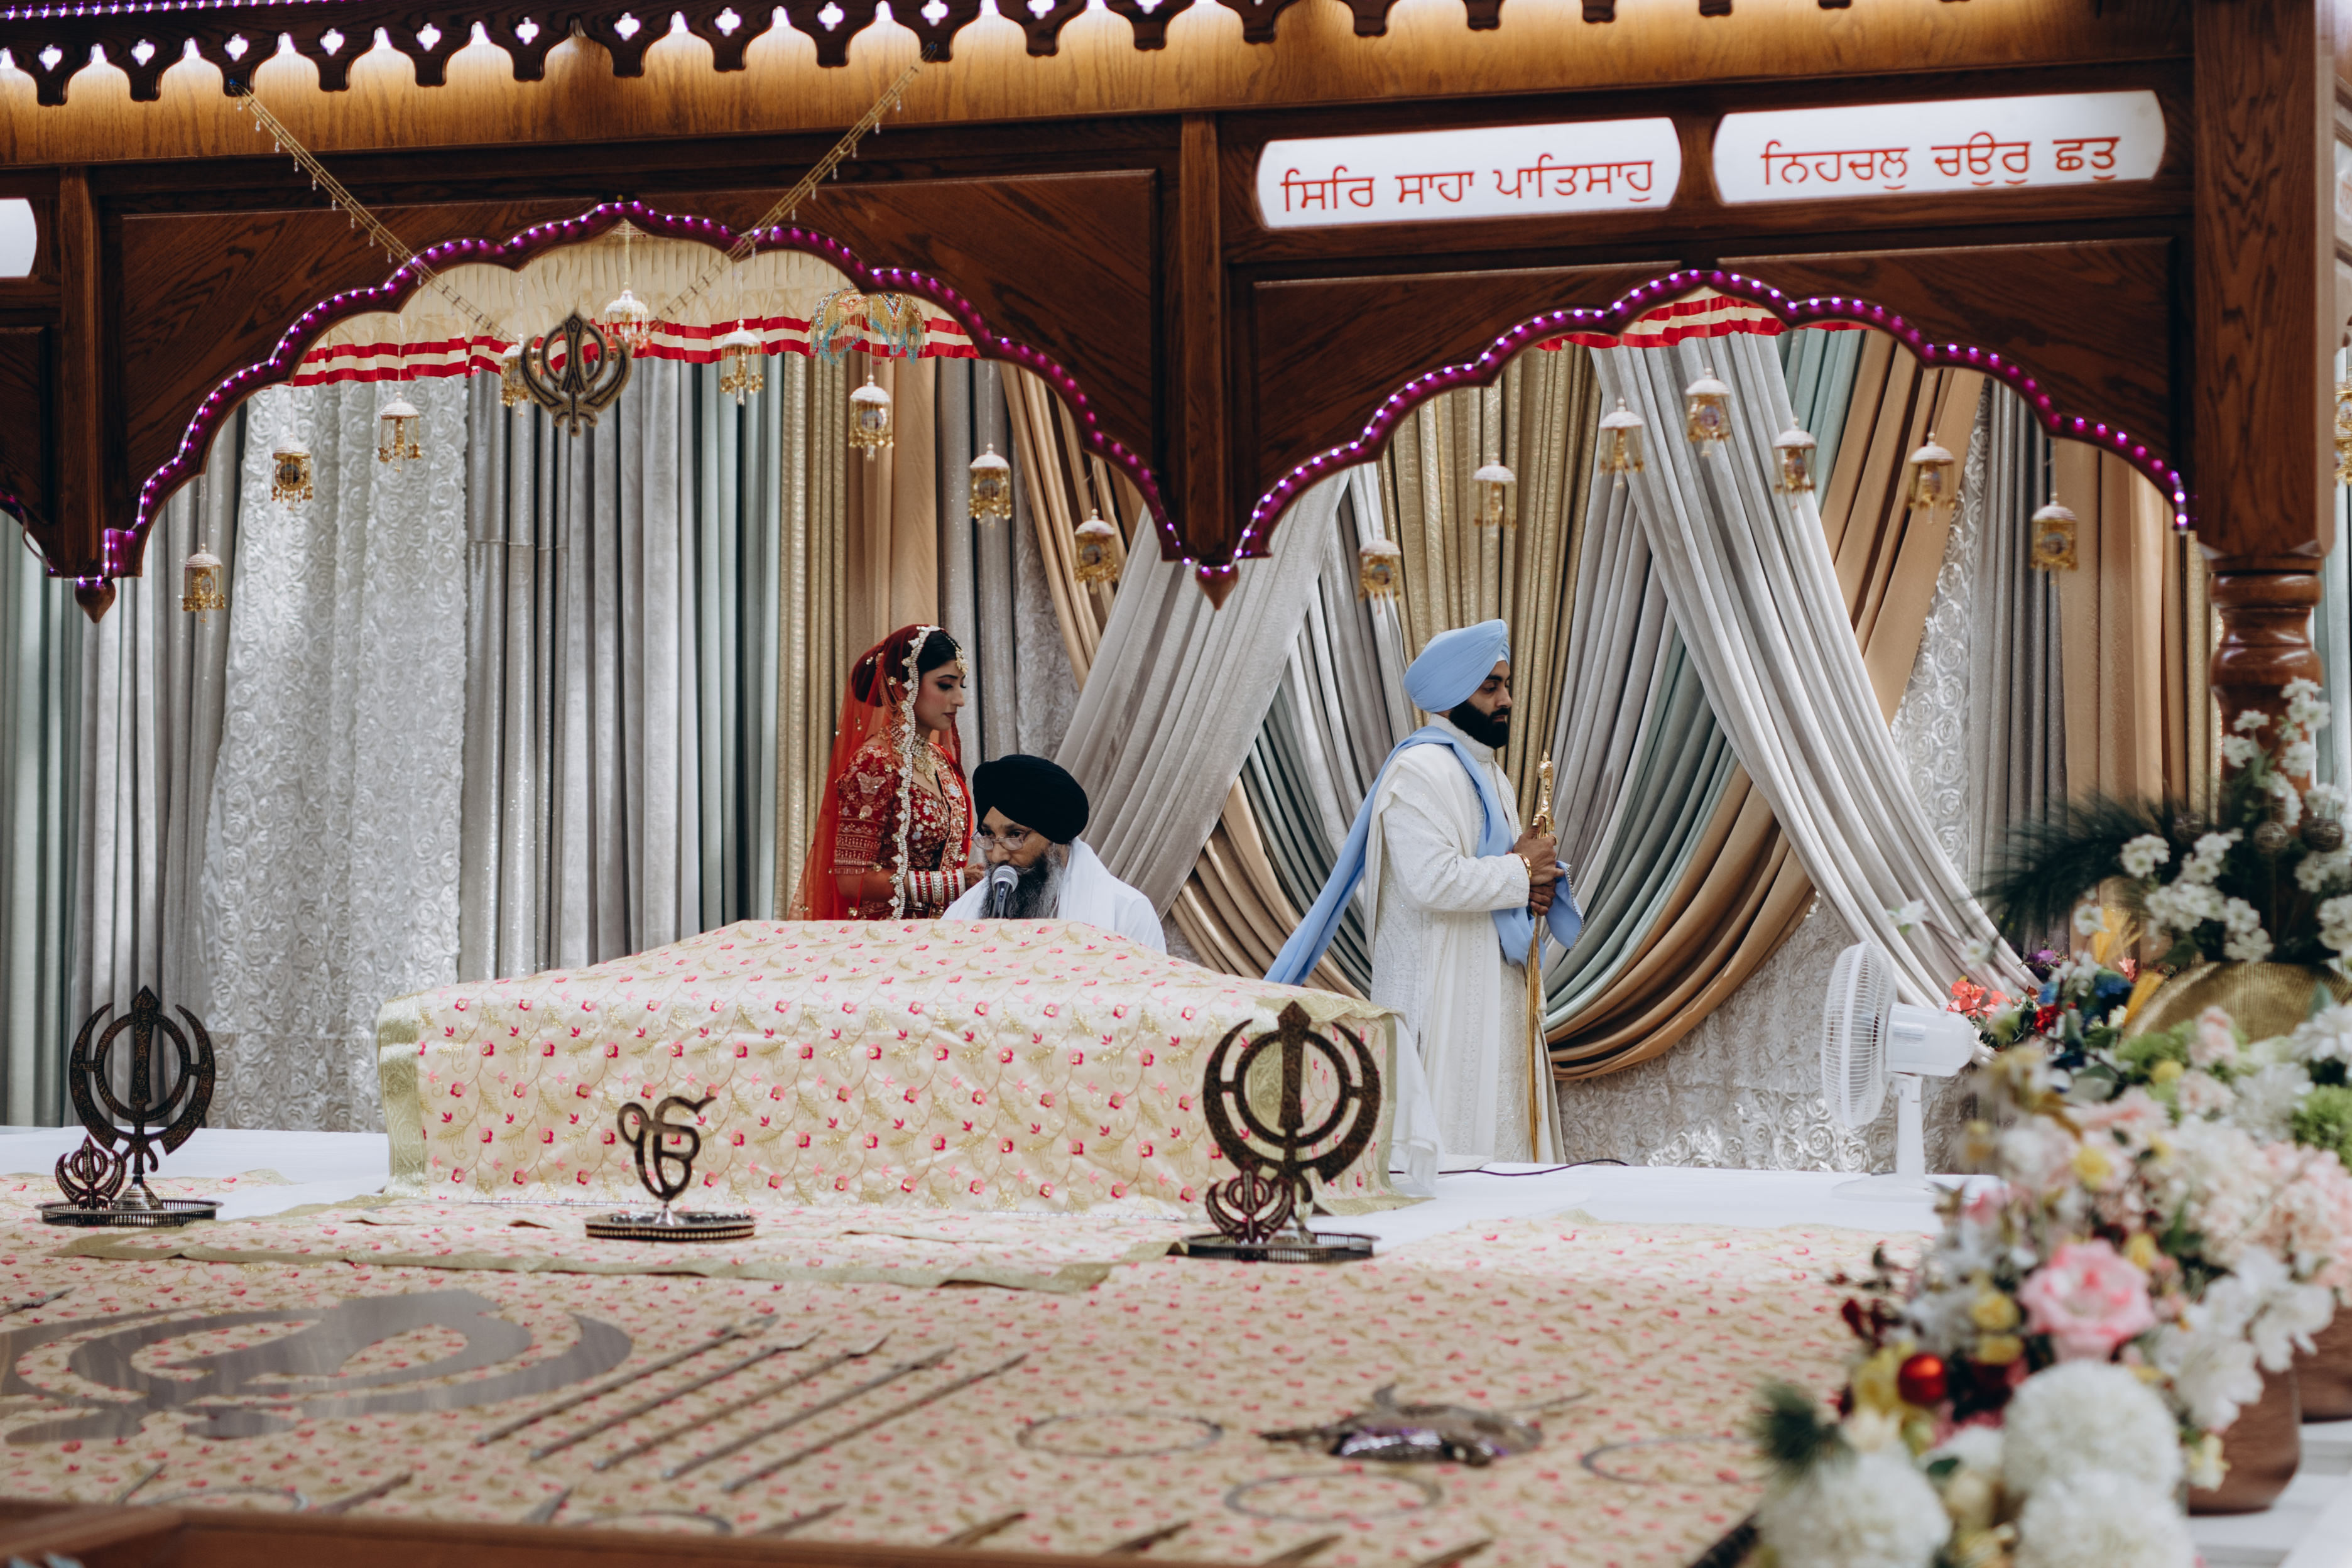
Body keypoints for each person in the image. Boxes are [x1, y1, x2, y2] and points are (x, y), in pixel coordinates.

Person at [1266, 619, 1581, 1189]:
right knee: (1448, 1152)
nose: (1507, 701)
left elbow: (1504, 871)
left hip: (1494, 985)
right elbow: (1431, 881)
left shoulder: (1490, 775)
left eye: (1506, 685)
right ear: (1454, 693)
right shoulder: (1417, 771)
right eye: (1491, 687)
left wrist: (1536, 882)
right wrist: (1520, 872)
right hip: (1441, 991)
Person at [792, 624, 983, 921]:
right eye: (946, 685)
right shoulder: (874, 763)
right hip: (885, 937)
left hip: (942, 933)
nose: (960, 700)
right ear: (903, 687)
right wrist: (952, 883)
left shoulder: (941, 760)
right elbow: (852, 879)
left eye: (962, 686)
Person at [942, 754, 1165, 951]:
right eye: (989, 835)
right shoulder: (961, 915)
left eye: (1015, 835)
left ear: (1055, 838)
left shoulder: (1127, 913)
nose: (997, 856)